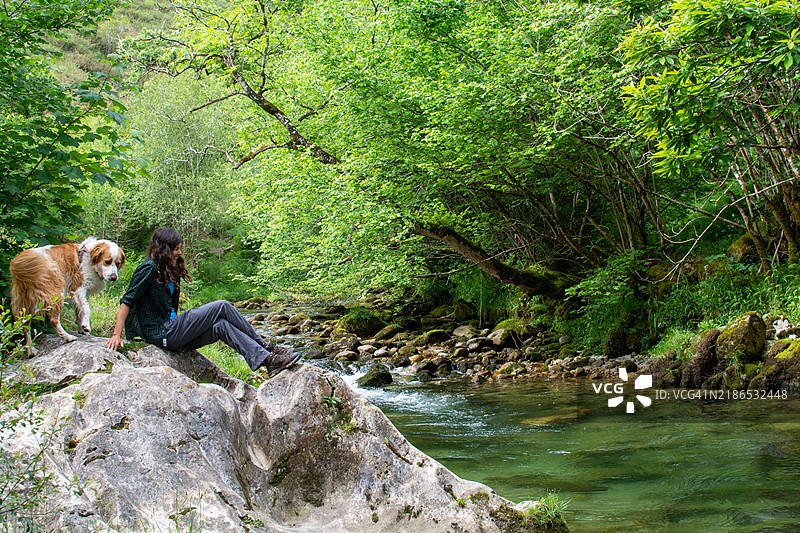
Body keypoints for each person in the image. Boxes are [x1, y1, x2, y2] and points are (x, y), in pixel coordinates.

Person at [105, 227, 301, 377]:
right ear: (164, 250)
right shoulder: (148, 268)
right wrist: (117, 335)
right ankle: (267, 346)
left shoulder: (170, 270)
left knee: (221, 326)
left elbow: (171, 309)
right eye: (176, 249)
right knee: (222, 306)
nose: (179, 252)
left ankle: (267, 361)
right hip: (162, 333)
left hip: (173, 332)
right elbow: (127, 301)